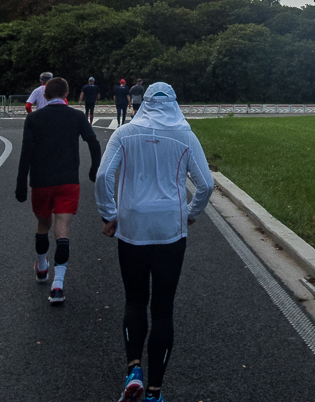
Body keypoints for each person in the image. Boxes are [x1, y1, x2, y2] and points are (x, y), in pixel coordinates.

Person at [95, 82, 213, 402]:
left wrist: (109, 214)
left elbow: (104, 176)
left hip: (132, 226)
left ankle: (133, 369)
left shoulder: (123, 134)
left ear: (141, 104)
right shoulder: (185, 135)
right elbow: (206, 184)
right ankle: (155, 392)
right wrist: (190, 214)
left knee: (135, 301)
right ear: (175, 104)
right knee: (163, 310)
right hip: (169, 229)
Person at [15, 77, 101, 305]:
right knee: (63, 227)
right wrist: (95, 169)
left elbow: (26, 153)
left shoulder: (33, 119)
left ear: (44, 96)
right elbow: (93, 142)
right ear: (67, 94)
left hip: (41, 181)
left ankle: (42, 267)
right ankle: (58, 285)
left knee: (43, 225)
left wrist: (21, 184)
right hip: (68, 180)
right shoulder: (76, 116)